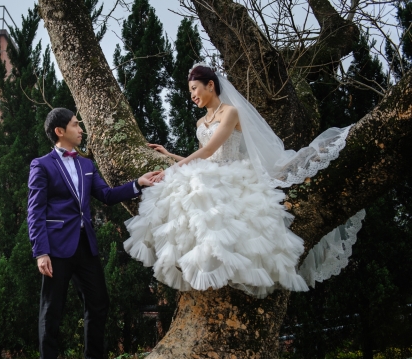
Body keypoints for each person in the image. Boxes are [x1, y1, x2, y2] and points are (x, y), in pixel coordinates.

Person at [124, 64, 365, 298]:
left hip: (231, 172)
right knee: (187, 201)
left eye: (195, 89)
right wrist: (170, 156)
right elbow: (202, 157)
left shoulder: (231, 112)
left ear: (210, 85)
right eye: (190, 92)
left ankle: (229, 265)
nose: (192, 96)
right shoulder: (200, 122)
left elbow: (210, 151)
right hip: (208, 171)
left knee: (216, 210)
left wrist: (170, 170)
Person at [27, 108, 160, 359]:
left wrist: (138, 183)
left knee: (99, 301)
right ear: (59, 132)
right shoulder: (41, 165)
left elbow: (107, 196)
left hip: (85, 245)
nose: (81, 130)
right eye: (76, 125)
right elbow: (35, 211)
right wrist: (41, 251)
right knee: (52, 307)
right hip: (55, 248)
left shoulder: (86, 165)